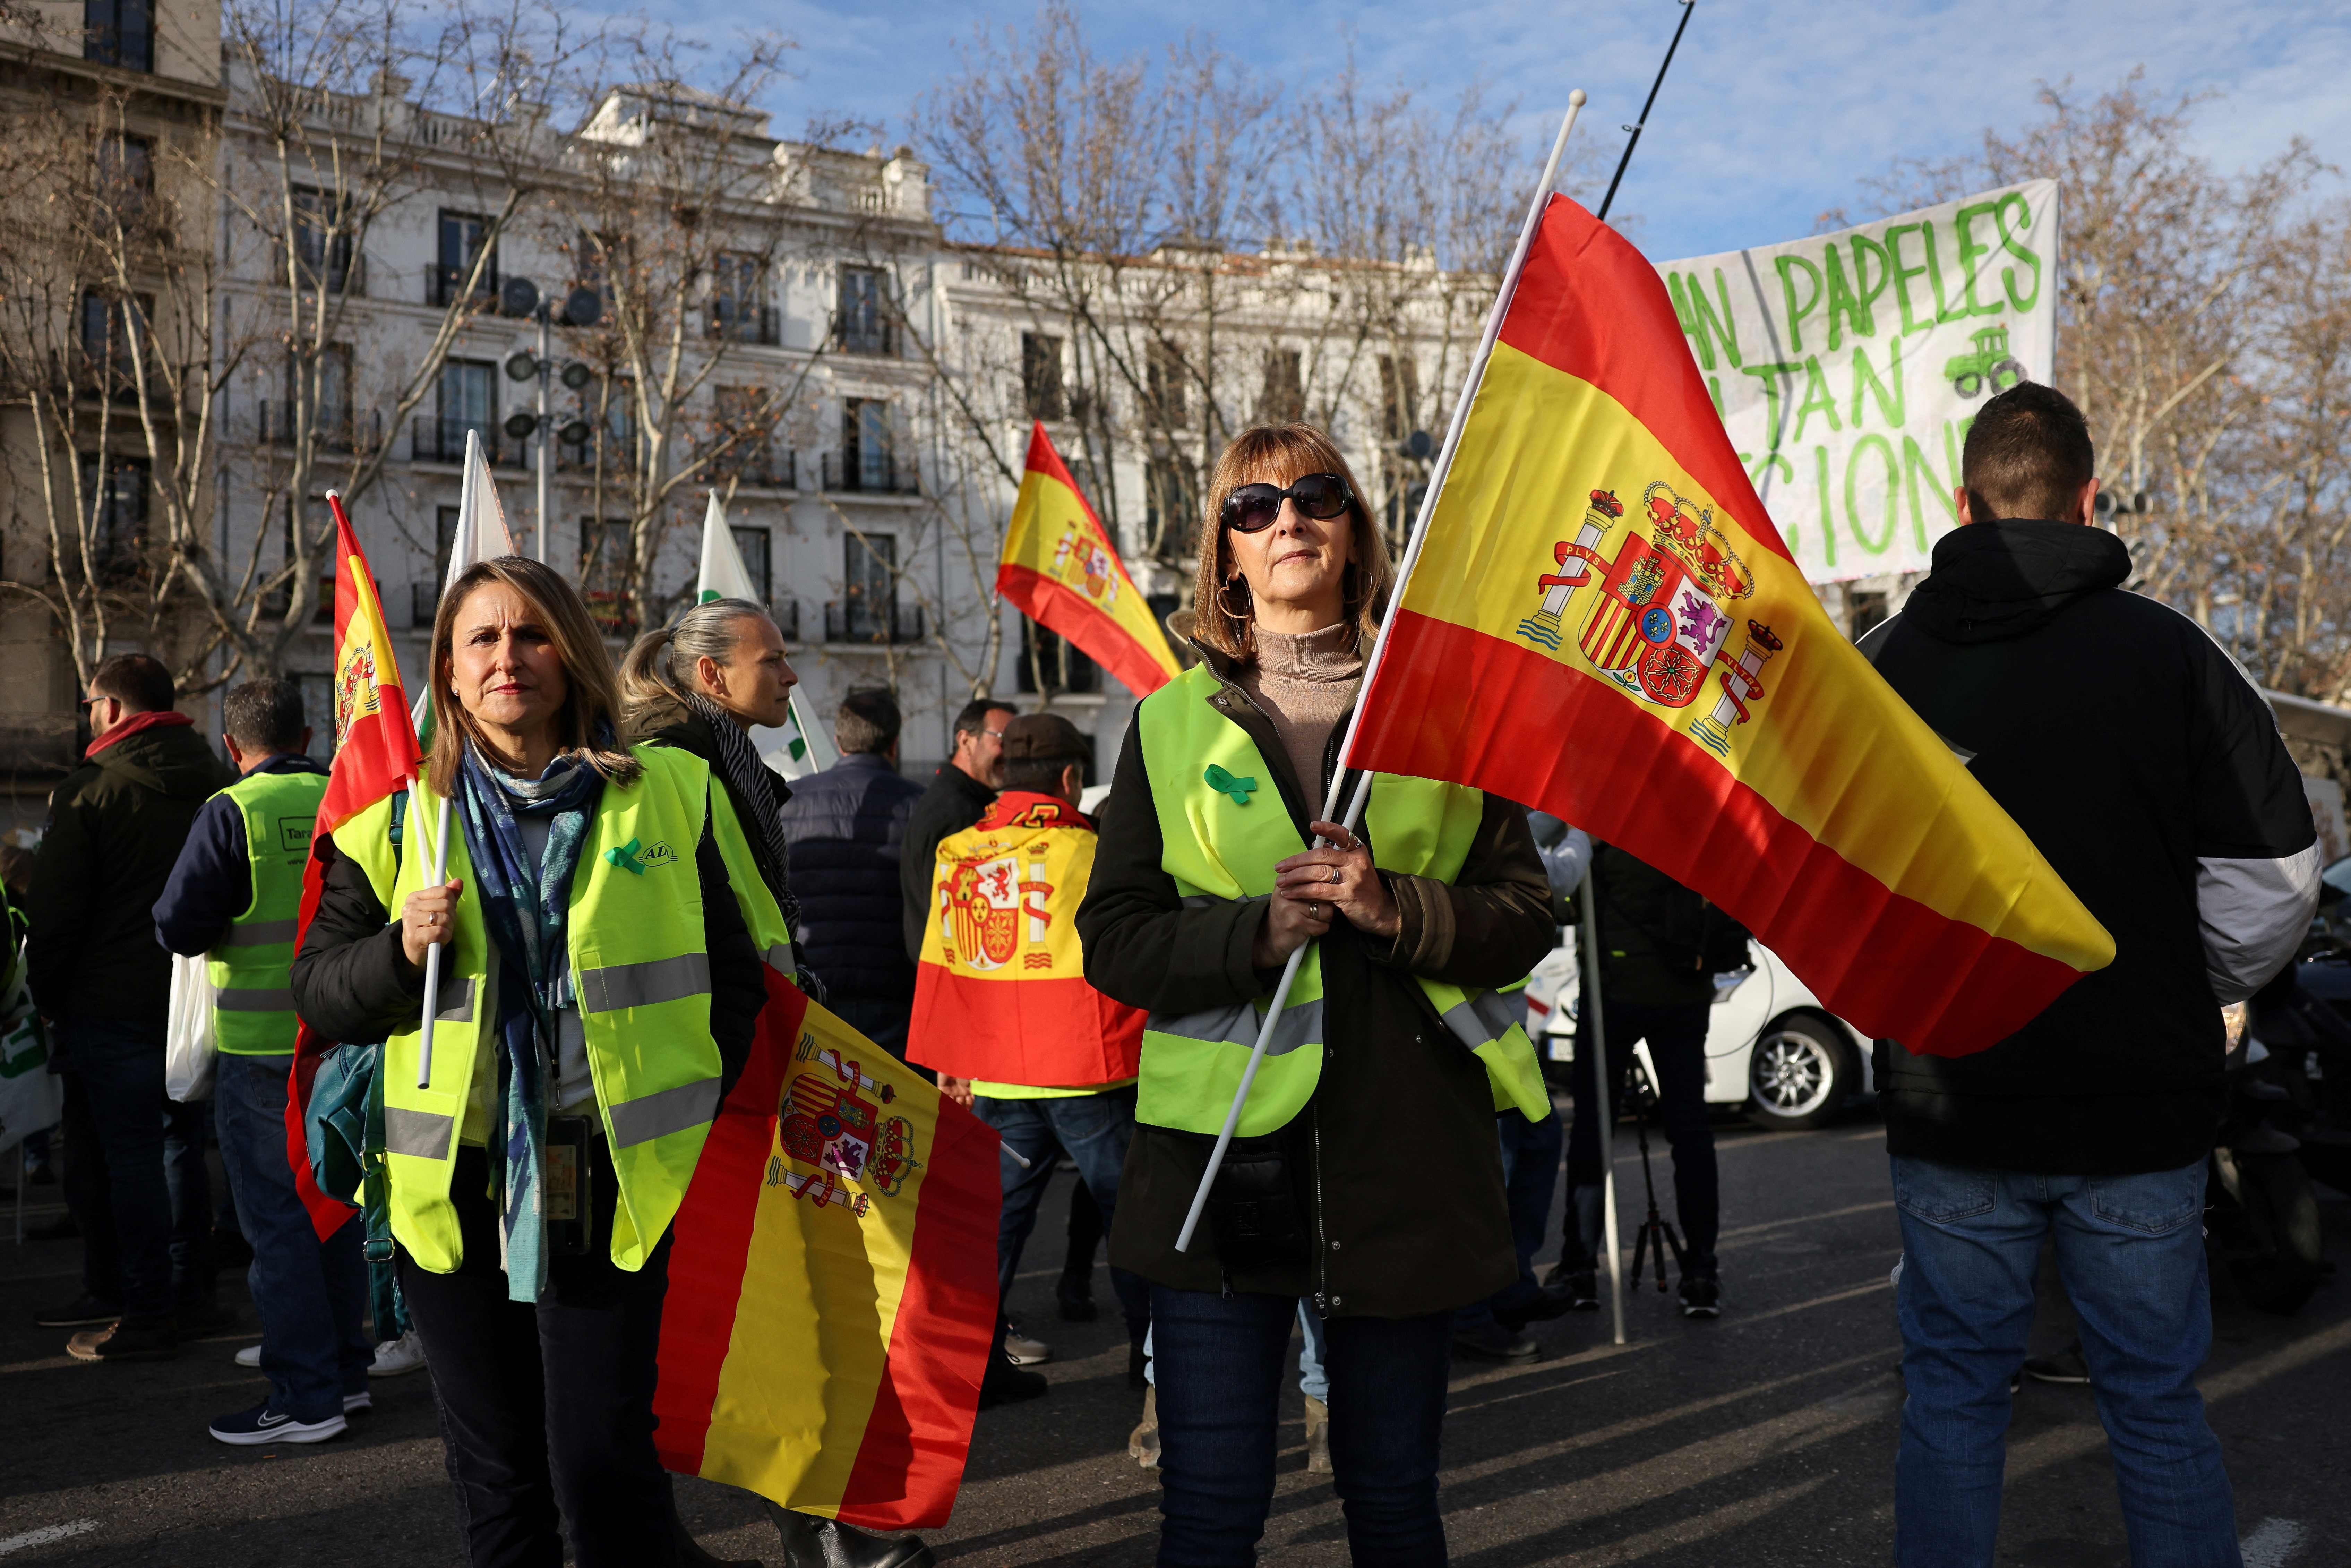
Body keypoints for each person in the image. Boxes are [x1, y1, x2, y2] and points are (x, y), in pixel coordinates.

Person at [1078, 423, 1556, 1566]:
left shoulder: (1442, 706)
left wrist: (1395, 910)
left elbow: (1526, 915)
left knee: (1391, 1504)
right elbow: (1112, 939)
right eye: (1250, 508)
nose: (1284, 519)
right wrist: (1254, 933)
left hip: (1401, 1158)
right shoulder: (1164, 720)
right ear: (1225, 555)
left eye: (1313, 496)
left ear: (1352, 531)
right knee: (1209, 1512)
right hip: (1218, 1164)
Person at [1860, 381, 2318, 1568]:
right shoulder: (2168, 654)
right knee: (2152, 1405)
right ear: (2089, 499)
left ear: (1958, 504)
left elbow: (1826, 890)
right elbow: (2274, 874)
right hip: (2135, 1104)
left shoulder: (1876, 669)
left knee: (1952, 1401)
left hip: (1949, 1096)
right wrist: (2179, 977)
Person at [291, 557, 773, 1567]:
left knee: (602, 1464)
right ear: (451, 671)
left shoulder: (672, 790)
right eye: (482, 639)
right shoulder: (394, 821)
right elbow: (321, 991)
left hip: (596, 1170)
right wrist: (399, 952)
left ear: (573, 654)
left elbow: (738, 973)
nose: (508, 657)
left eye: (532, 634)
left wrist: (690, 1098)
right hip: (450, 1184)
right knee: (497, 1473)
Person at [621, 602, 937, 1568]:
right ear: (712, 678)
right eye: (774, 662)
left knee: (771, 1309)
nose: (793, 679)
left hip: (746, 1066)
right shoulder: (677, 768)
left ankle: (813, 1531)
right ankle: (804, 1534)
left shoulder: (725, 763)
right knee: (749, 1315)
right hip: (711, 1080)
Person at [149, 677, 372, 1442]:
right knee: (336, 1209)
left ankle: (304, 1396)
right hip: (341, 1041)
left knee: (276, 1225)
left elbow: (177, 926)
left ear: (232, 747)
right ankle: (347, 1372)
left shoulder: (231, 811)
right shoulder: (353, 796)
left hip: (260, 1053)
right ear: (310, 737)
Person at [910, 711, 1148, 1410]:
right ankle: (1154, 1363)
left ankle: (974, 1364)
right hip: (1085, 1070)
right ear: (1071, 778)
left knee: (995, 1223)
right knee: (1125, 1218)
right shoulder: (1093, 850)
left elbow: (939, 964)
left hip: (990, 1071)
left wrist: (944, 1061)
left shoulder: (959, 851)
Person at [27, 652, 234, 1360]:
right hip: (194, 1001)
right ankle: (192, 1292)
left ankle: (144, 1306)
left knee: (132, 1158)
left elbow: (54, 915)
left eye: (91, 703)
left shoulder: (89, 793)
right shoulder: (218, 780)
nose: (88, 714)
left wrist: (47, 995)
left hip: (109, 1003)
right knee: (181, 1146)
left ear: (112, 709)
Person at [1546, 841, 1745, 1322]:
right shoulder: (1696, 820)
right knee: (1690, 1132)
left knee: (1594, 1130)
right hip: (1684, 992)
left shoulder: (1604, 824)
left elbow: (1565, 900)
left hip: (1614, 992)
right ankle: (1700, 1271)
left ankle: (1579, 1268)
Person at [779, 688, 924, 1055]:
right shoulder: (919, 806)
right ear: (893, 744)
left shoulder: (789, 801)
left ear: (839, 741)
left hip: (813, 980)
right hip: (895, 988)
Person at [901, 696, 1016, 963]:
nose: (1010, 754)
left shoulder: (957, 800)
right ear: (965, 740)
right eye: (1002, 740)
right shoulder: (958, 812)